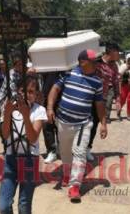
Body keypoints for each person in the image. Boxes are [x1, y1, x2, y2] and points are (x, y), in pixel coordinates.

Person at [47, 49, 108, 202]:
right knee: (65, 152)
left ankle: (75, 186)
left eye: (96, 62)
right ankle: (67, 174)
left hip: (83, 124)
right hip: (63, 121)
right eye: (92, 61)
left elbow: (99, 104)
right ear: (82, 62)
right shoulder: (68, 74)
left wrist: (104, 123)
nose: (96, 64)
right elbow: (55, 89)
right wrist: (49, 108)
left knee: (79, 153)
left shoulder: (97, 82)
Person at [0, 76, 47, 214]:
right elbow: (5, 135)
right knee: (3, 206)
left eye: (31, 92)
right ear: (17, 91)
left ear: (36, 94)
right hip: (10, 160)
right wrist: (7, 113)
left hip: (30, 160)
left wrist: (26, 115)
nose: (27, 94)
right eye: (23, 90)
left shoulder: (39, 110)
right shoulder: (9, 108)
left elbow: (32, 139)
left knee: (24, 206)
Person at [87, 43, 120, 161]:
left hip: (101, 99)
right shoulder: (96, 62)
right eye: (117, 52)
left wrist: (118, 100)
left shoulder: (114, 66)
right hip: (88, 97)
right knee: (84, 123)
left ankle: (87, 149)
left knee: (95, 123)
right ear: (111, 52)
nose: (119, 55)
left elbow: (116, 83)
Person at [41, 72, 64, 164]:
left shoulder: (64, 70)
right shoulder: (44, 68)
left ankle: (61, 149)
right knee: (47, 127)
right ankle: (51, 151)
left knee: (61, 127)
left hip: (62, 100)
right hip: (46, 100)